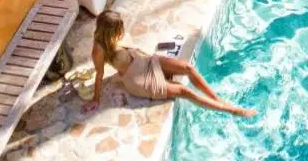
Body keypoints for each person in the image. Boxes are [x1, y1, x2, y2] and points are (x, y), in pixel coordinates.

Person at [91, 10, 255, 117]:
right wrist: (95, 99)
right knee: (184, 91)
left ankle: (218, 100)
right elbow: (99, 75)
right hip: (138, 79)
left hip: (144, 62)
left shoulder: (112, 38)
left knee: (187, 68)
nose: (121, 31)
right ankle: (232, 111)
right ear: (108, 30)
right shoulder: (98, 50)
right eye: (117, 29)